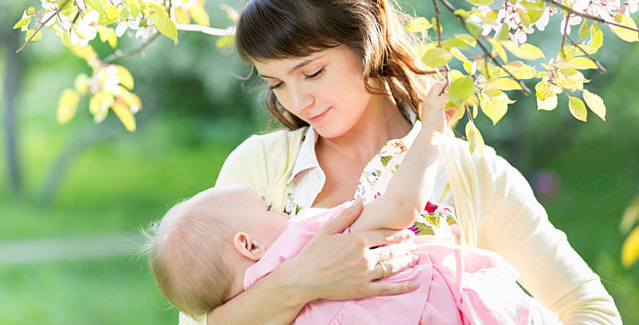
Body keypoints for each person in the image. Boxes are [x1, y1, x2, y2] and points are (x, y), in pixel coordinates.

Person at [177, 0, 622, 324]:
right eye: (276, 83)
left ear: (366, 41)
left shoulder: (473, 176)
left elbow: (593, 313)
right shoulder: (258, 170)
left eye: (311, 72)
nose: (298, 100)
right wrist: (304, 281)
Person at [145, 85, 559, 323]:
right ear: (247, 245)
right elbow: (400, 208)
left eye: (312, 72)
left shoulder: (262, 314)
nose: (283, 211)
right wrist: (430, 131)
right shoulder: (310, 239)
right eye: (269, 211)